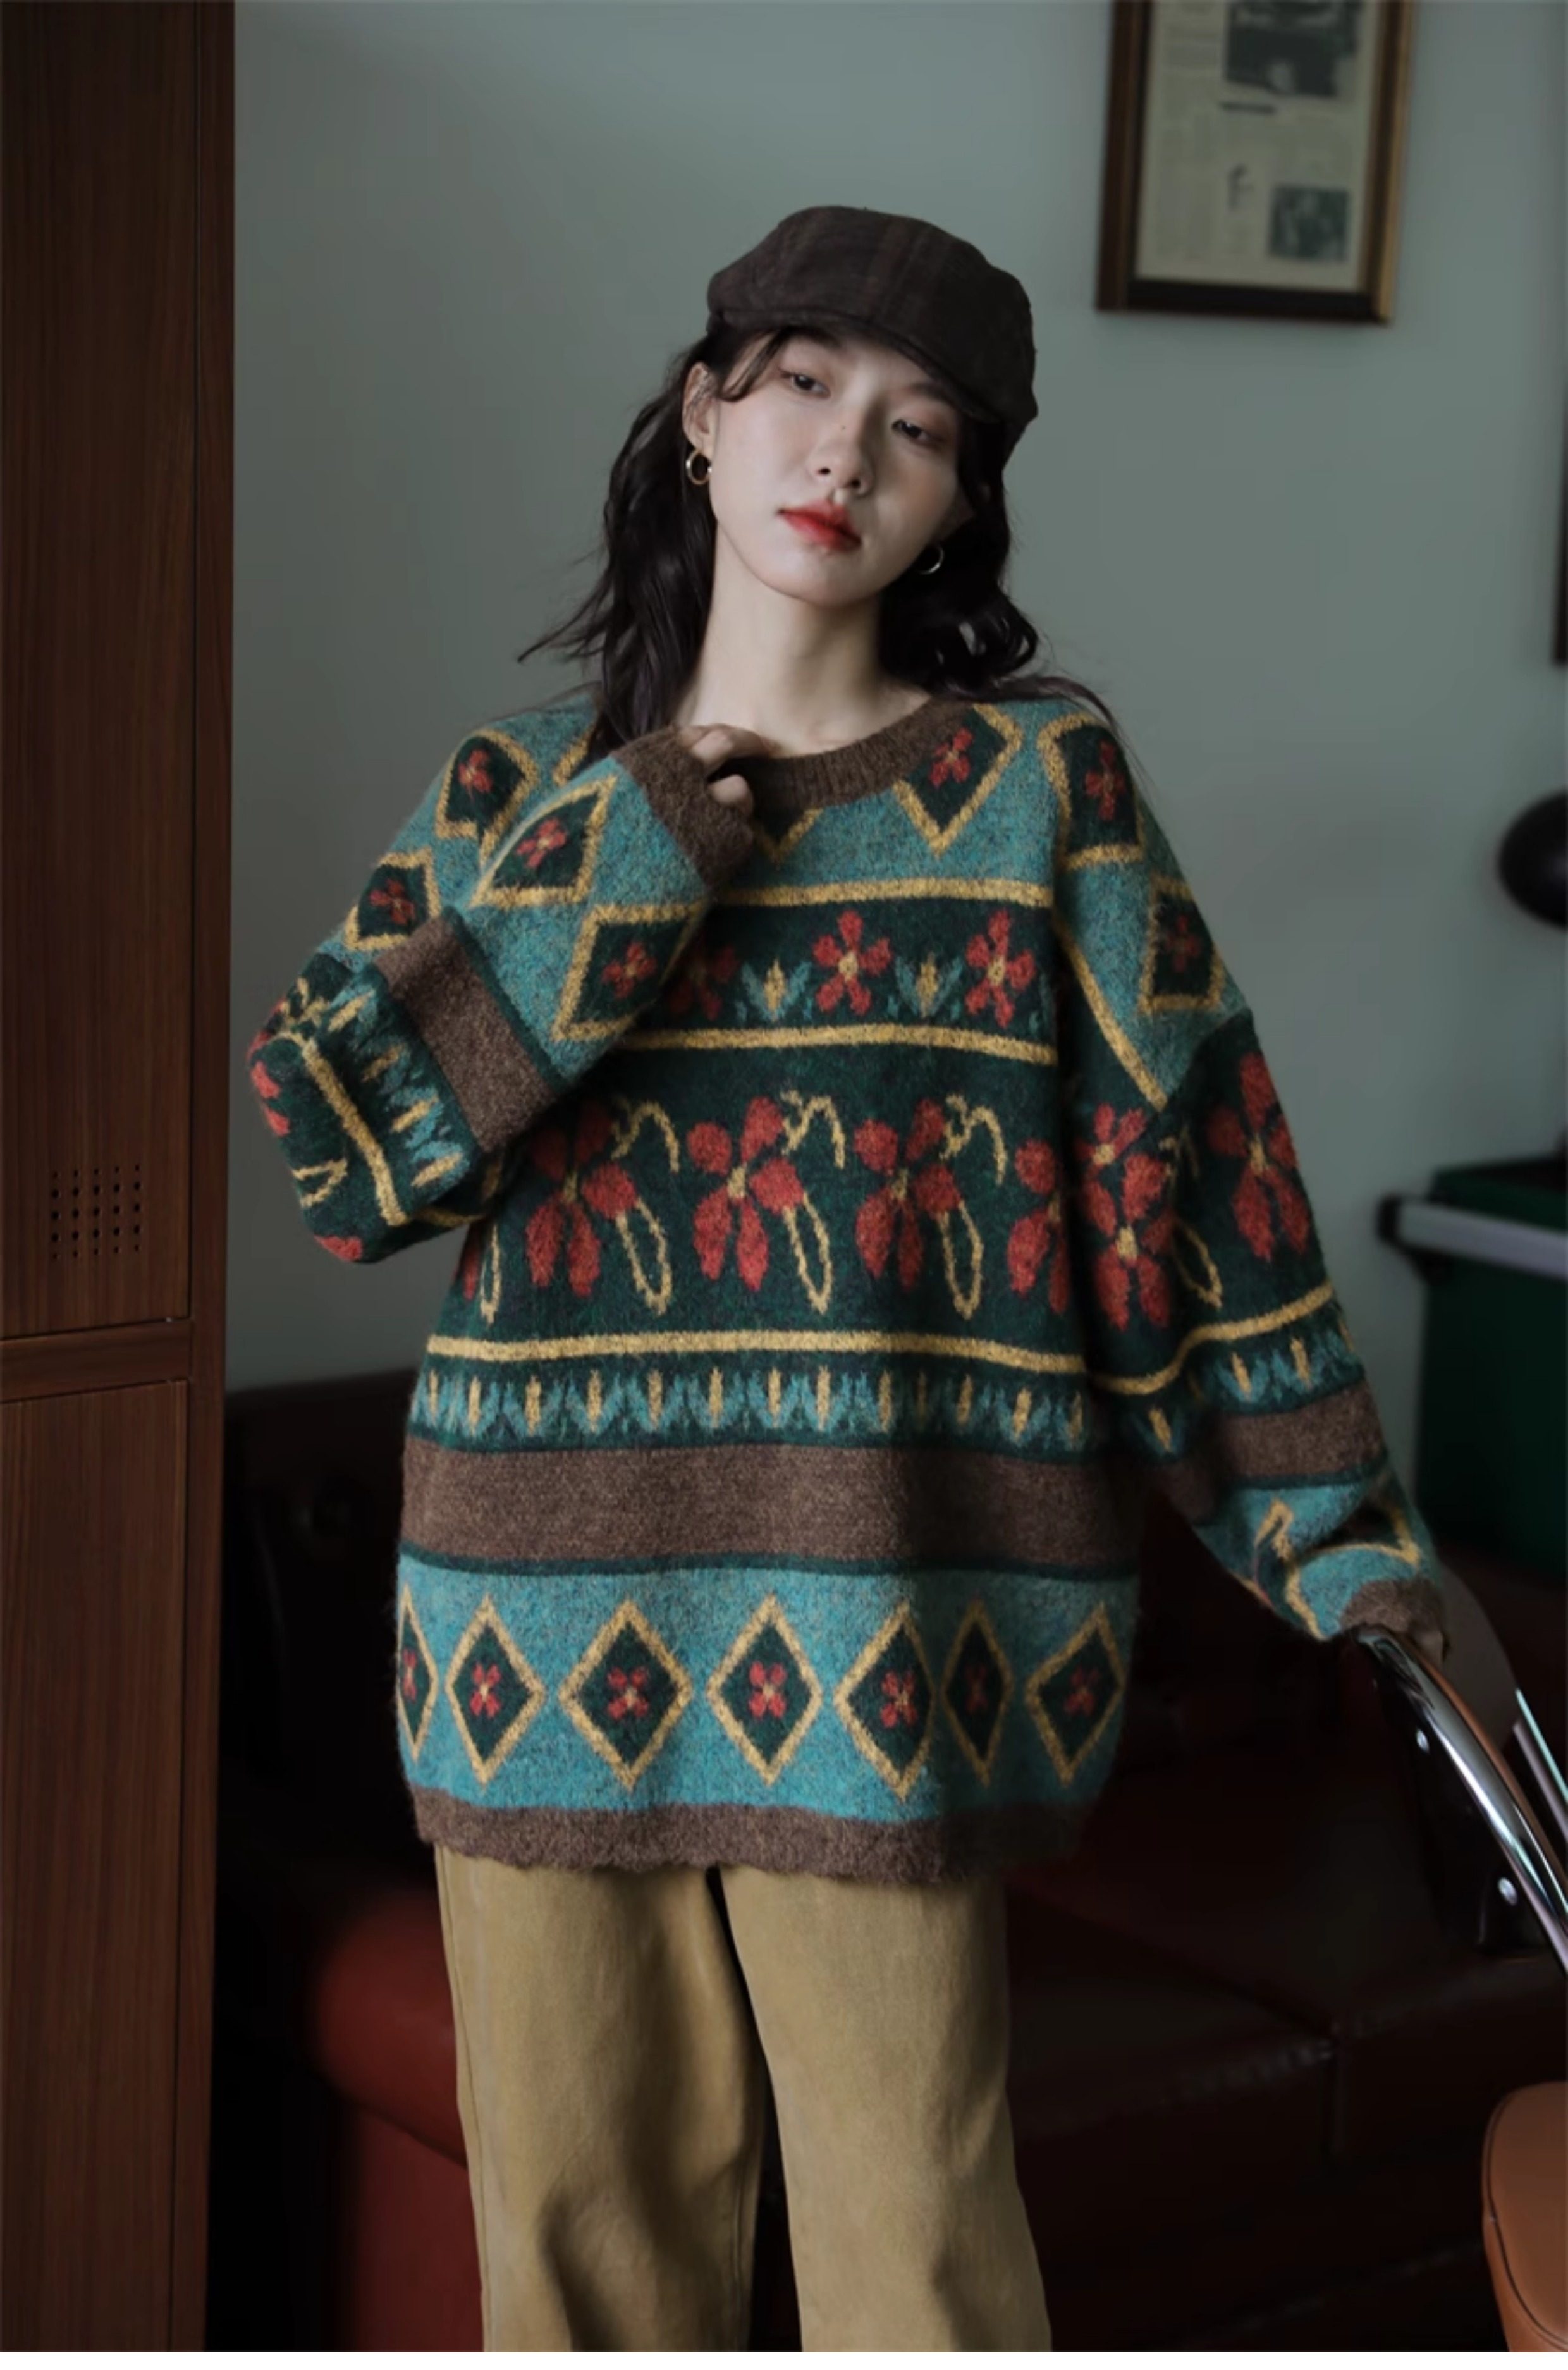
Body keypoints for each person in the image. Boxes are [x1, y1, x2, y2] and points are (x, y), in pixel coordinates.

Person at [246, 204, 1449, 2351]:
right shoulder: (521, 799)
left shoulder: (1034, 796)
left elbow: (1193, 1181)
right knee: (585, 2266)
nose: (846, 452)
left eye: (919, 426)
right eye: (804, 383)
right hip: (536, 1622)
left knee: (922, 2261)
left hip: (888, 1617)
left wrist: (1342, 1540)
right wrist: (639, 843)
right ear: (704, 416)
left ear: (959, 500)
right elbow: (347, 1146)